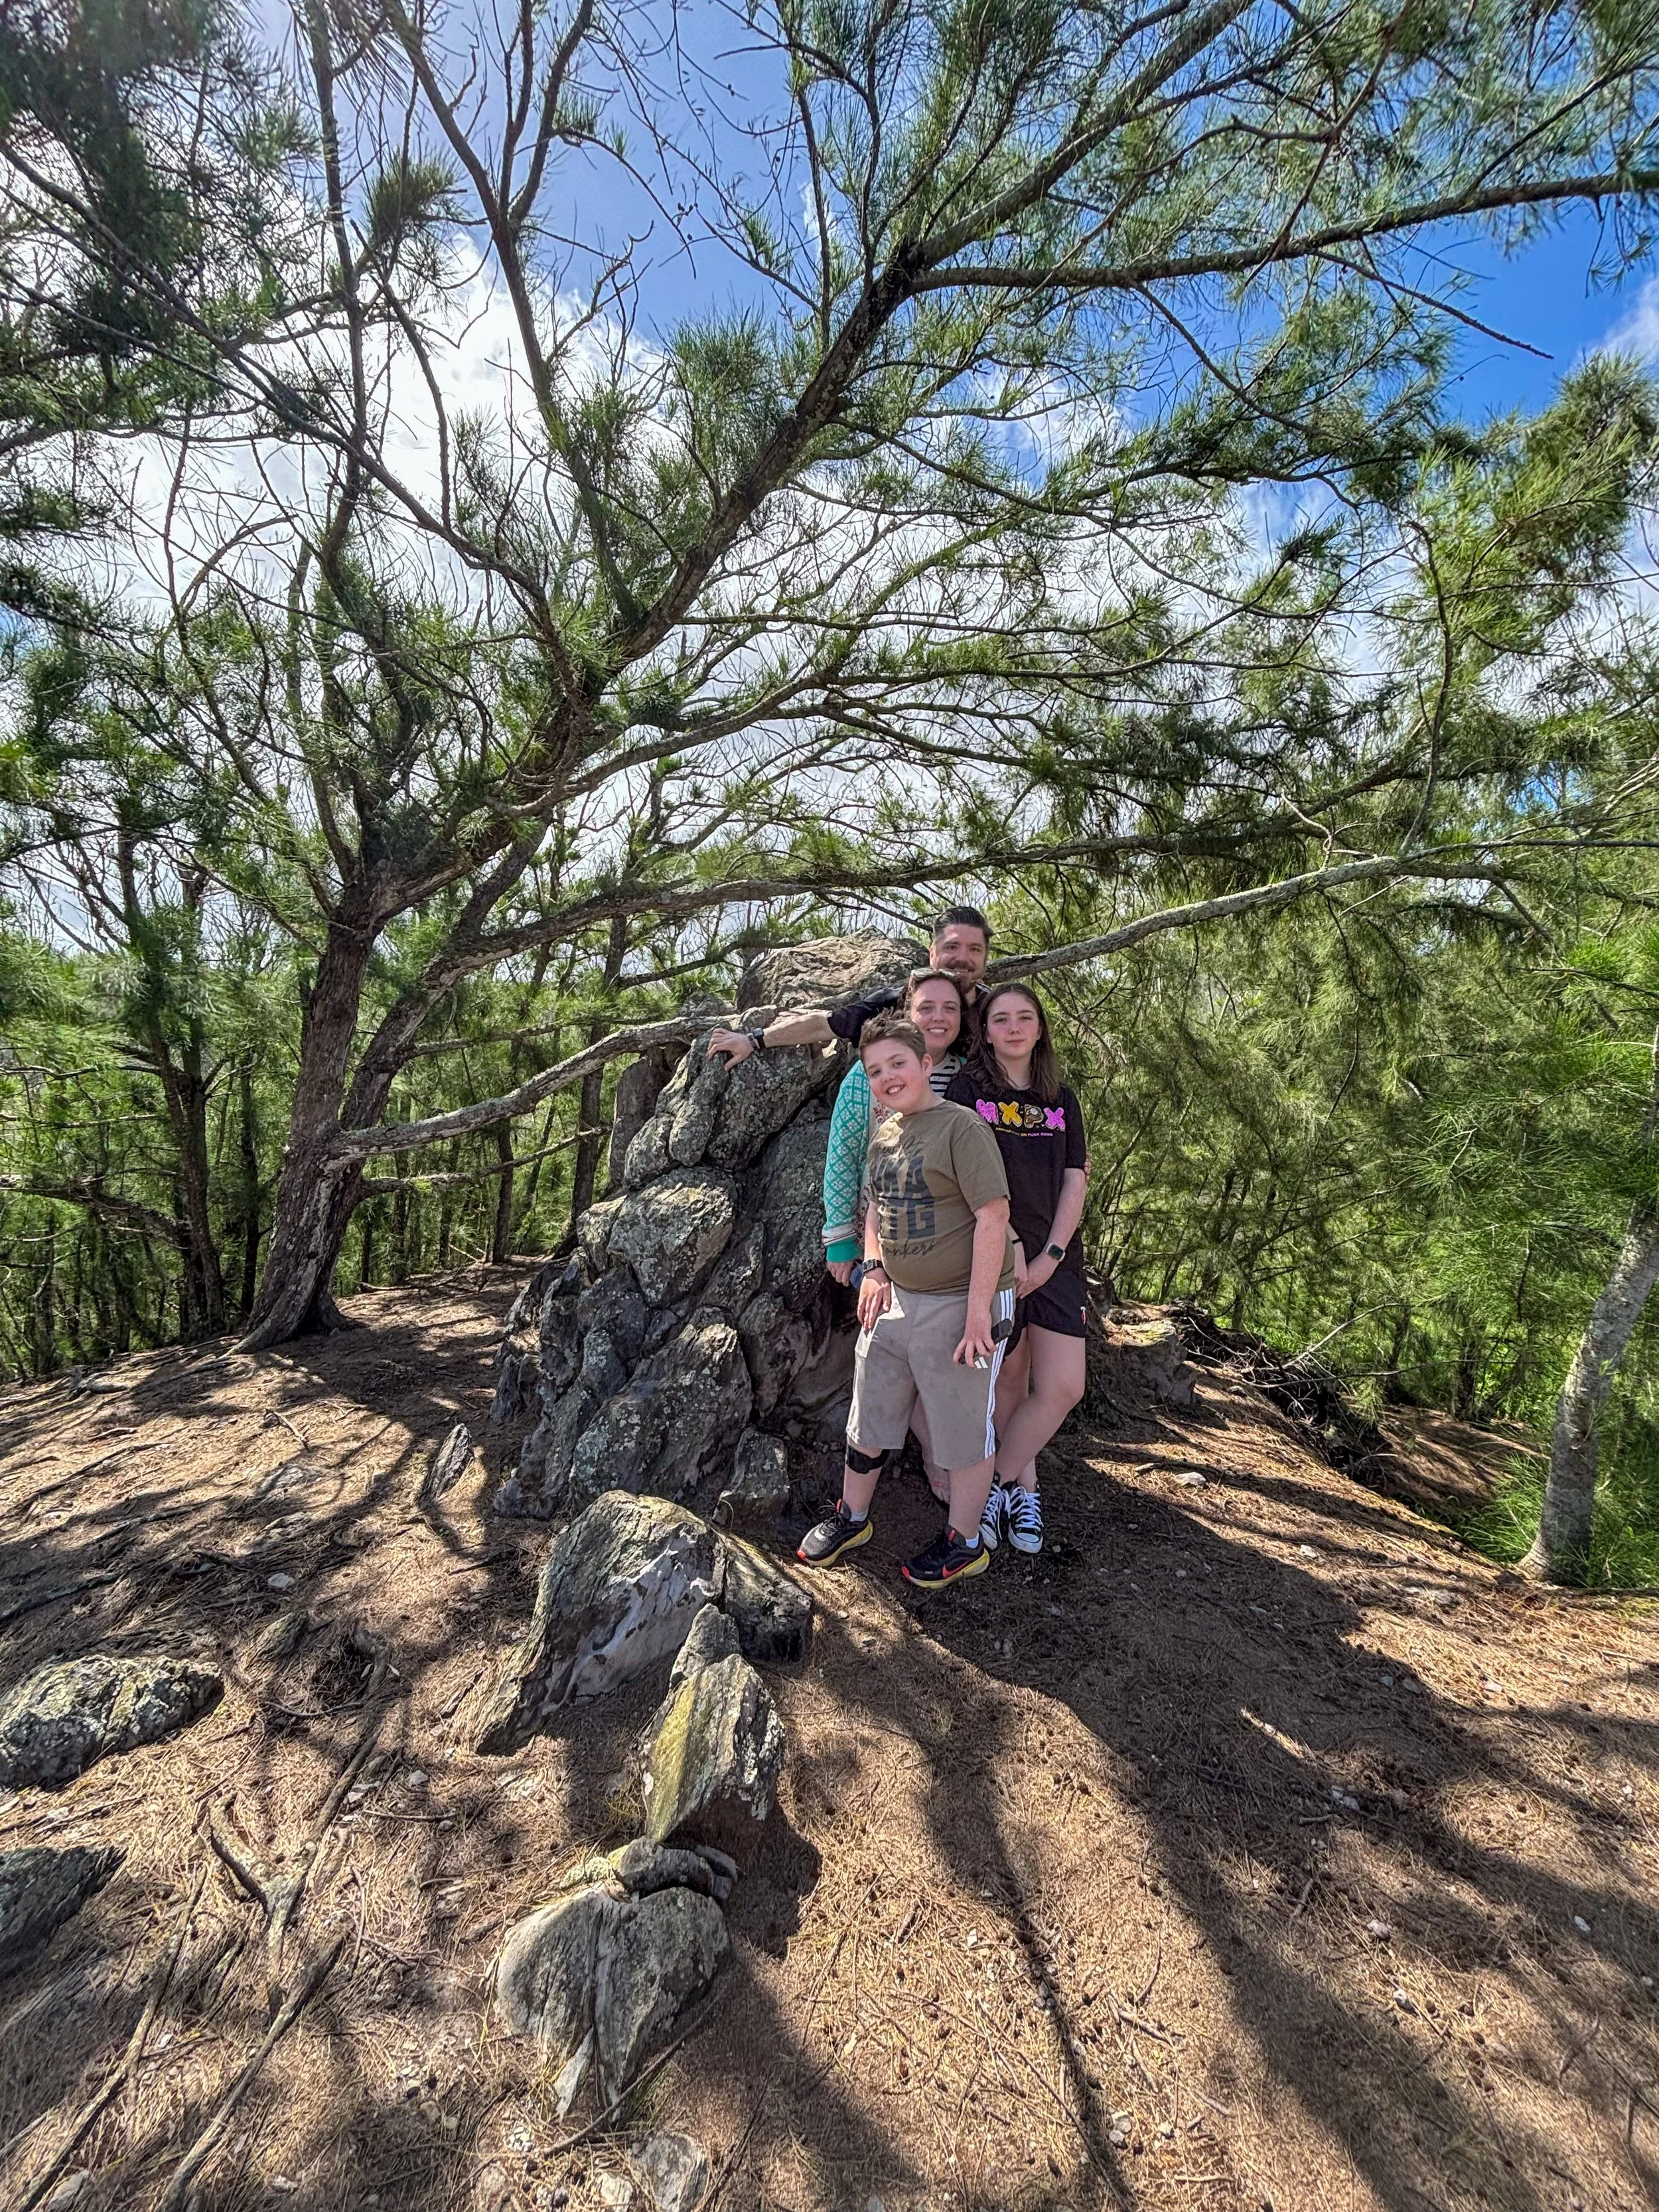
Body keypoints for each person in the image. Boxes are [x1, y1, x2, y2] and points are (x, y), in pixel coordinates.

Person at [797, 1011, 1017, 1589]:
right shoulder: (886, 1133)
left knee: (965, 1427)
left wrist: (978, 1317)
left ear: (925, 1064)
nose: (888, 1076)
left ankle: (965, 1541)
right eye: (875, 1070)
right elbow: (875, 1207)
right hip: (895, 1295)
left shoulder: (961, 1128)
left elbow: (994, 1216)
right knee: (869, 1411)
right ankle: (853, 1517)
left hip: (961, 1301)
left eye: (898, 1063)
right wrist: (872, 1268)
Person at [946, 982, 1088, 1556]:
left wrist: (1050, 1255)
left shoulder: (1063, 1097)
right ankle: (1019, 1491)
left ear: (1039, 1028)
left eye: (1024, 1017)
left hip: (1056, 1259)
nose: (1012, 1027)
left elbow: (1075, 1179)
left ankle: (996, 1485)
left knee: (1062, 1386)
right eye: (1000, 1018)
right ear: (984, 1031)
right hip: (993, 1253)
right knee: (1006, 1376)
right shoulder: (968, 1088)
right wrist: (1012, 1250)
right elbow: (958, 1170)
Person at [703, 905, 992, 1067]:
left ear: (986, 957)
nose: (962, 959)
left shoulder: (999, 1012)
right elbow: (822, 1024)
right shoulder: (893, 1003)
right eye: (953, 947)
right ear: (932, 953)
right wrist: (753, 1040)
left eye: (974, 950)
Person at [821, 968, 968, 1282]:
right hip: (877, 1246)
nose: (938, 1017)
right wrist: (839, 1238)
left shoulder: (971, 1078)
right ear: (907, 1011)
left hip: (950, 1244)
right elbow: (843, 1157)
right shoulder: (866, 1077)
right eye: (926, 1008)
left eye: (950, 1008)